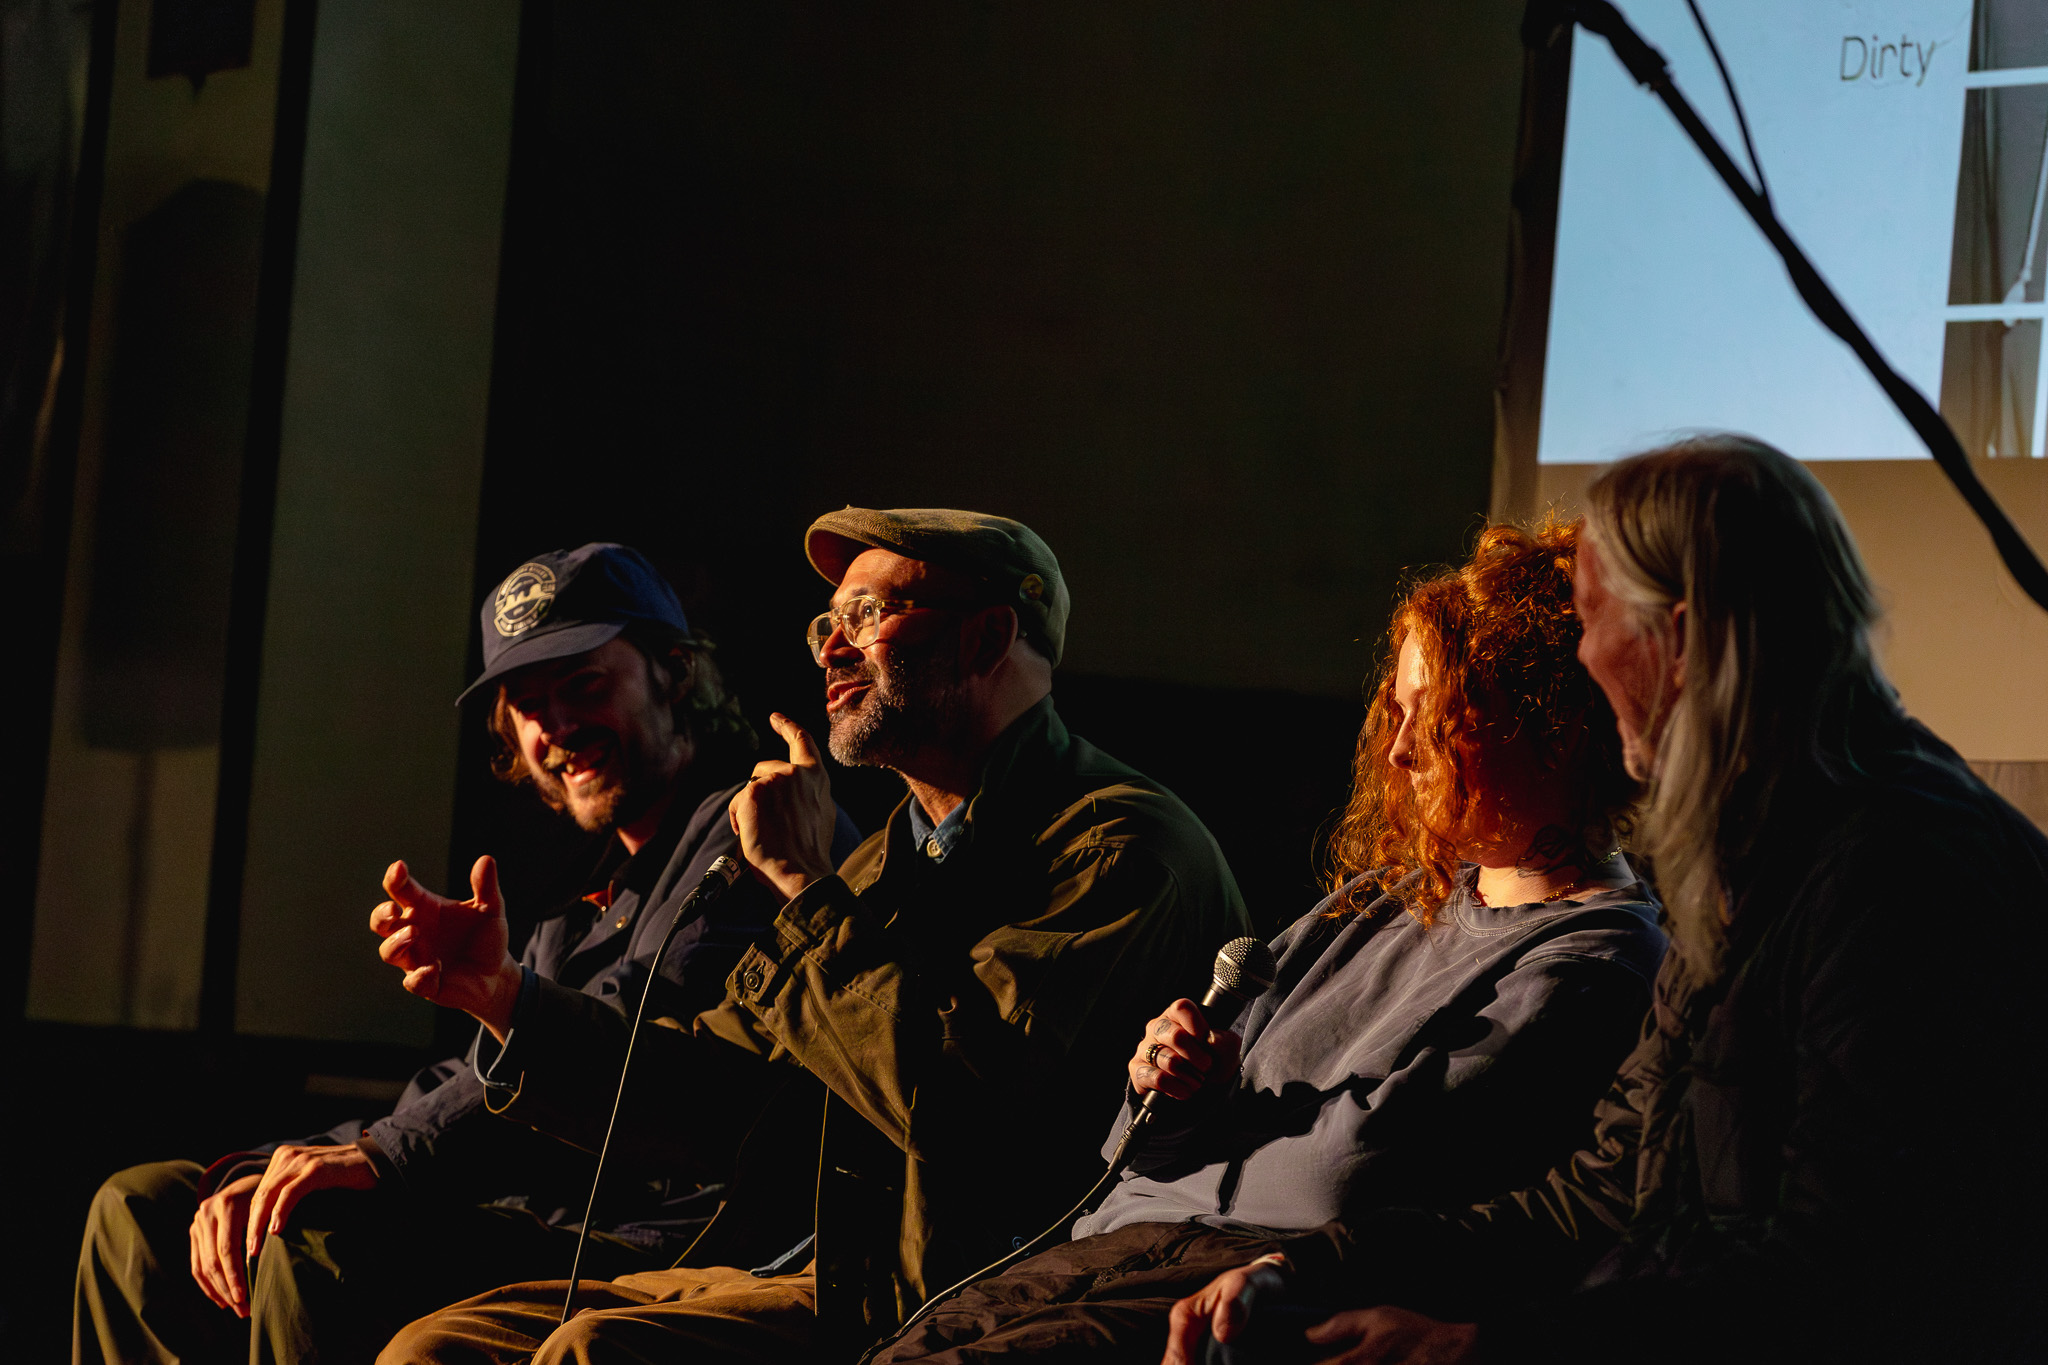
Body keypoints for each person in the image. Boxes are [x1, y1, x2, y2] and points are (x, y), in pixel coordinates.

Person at [1163, 436, 2048, 1365]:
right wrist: (1312, 1271)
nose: (1583, 658)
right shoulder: (1763, 863)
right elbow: (1599, 1196)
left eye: (1593, 618)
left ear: (1684, 633)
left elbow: (1840, 1285)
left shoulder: (1902, 880)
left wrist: (1481, 1348)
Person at [371, 508, 1253, 1365]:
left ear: (986, 640)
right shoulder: (888, 861)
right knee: (441, 1346)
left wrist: (800, 885)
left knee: (599, 1350)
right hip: (811, 1264)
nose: (832, 646)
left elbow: (958, 1108)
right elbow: (722, 1091)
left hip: (972, 1292)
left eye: (868, 615)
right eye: (828, 621)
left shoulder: (1122, 847)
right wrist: (502, 995)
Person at [866, 520, 1667, 1365]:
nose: (1398, 751)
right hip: (1114, 1246)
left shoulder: (1595, 957)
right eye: (1396, 713)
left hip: (1241, 1282)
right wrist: (1174, 1091)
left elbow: (1347, 1178)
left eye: (1436, 720)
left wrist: (1216, 1131)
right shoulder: (1388, 894)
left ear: (1552, 724)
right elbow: (1139, 1151)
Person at [75, 543, 859, 1365]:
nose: (556, 725)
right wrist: (272, 1164)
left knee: (318, 1238)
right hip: (534, 1220)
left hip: (659, 1247)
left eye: (585, 685)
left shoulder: (759, 829)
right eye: (528, 704)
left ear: (674, 672)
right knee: (147, 1205)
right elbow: (464, 1083)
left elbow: (636, 1045)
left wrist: (383, 1153)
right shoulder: (578, 912)